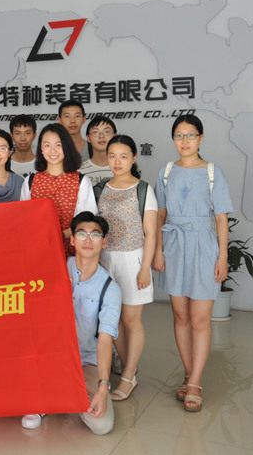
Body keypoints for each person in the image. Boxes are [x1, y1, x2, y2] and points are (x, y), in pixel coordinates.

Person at [153, 114, 234, 413]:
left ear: (201, 138)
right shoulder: (166, 172)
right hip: (174, 245)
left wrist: (222, 256)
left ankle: (196, 382)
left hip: (204, 246)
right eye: (179, 135)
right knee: (180, 316)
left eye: (190, 135)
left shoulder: (213, 172)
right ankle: (189, 375)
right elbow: (160, 215)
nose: (184, 140)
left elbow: (221, 219)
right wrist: (158, 251)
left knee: (200, 319)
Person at [22, 212, 119, 434]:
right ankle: (54, 393)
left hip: (85, 361)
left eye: (95, 235)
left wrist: (103, 387)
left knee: (102, 425)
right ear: (72, 240)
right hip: (48, 357)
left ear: (104, 242)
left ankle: (63, 392)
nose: (88, 239)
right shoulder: (54, 268)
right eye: (82, 234)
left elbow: (105, 340)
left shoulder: (110, 289)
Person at [94, 134, 158, 402]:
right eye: (112, 156)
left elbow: (151, 233)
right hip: (104, 260)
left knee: (131, 320)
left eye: (123, 156)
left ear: (134, 158)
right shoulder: (100, 188)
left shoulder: (143, 189)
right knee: (113, 320)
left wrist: (145, 269)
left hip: (133, 260)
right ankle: (127, 366)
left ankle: (129, 376)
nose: (117, 161)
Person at [20, 123, 97, 257]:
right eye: (47, 145)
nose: (53, 151)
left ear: (66, 147)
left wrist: (61, 235)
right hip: (37, 251)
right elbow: (23, 219)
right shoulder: (30, 181)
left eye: (58, 145)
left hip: (73, 254)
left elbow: (88, 220)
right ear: (41, 149)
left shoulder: (81, 181)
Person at [78, 116, 116, 187]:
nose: (101, 136)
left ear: (115, 136)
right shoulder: (79, 171)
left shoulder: (123, 168)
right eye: (96, 132)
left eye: (106, 132)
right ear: (88, 138)